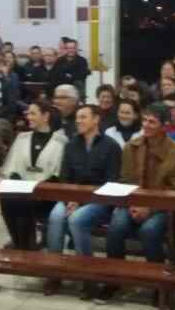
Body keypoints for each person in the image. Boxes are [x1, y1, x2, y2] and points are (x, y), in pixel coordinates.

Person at [100, 103, 175, 303]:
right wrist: (134, 204)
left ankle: (159, 285)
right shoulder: (131, 147)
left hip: (163, 207)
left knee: (149, 230)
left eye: (152, 122)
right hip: (133, 202)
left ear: (165, 126)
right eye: (144, 120)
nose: (146, 125)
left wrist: (151, 208)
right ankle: (113, 279)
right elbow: (125, 181)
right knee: (116, 227)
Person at [45, 104, 122, 297]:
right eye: (77, 117)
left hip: (100, 200)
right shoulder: (71, 145)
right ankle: (54, 274)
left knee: (77, 219)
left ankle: (88, 277)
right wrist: (71, 199)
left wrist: (81, 201)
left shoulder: (111, 146)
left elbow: (111, 182)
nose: (78, 121)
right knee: (55, 217)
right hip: (71, 197)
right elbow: (64, 178)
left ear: (96, 119)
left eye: (83, 117)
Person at [0, 100, 67, 251]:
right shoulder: (22, 137)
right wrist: (18, 185)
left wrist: (37, 188)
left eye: (33, 113)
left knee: (23, 201)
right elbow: (12, 168)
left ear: (45, 116)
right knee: (6, 198)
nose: (28, 117)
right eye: (28, 113)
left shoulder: (60, 141)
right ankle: (19, 243)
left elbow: (58, 174)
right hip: (22, 189)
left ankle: (26, 247)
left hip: (47, 192)